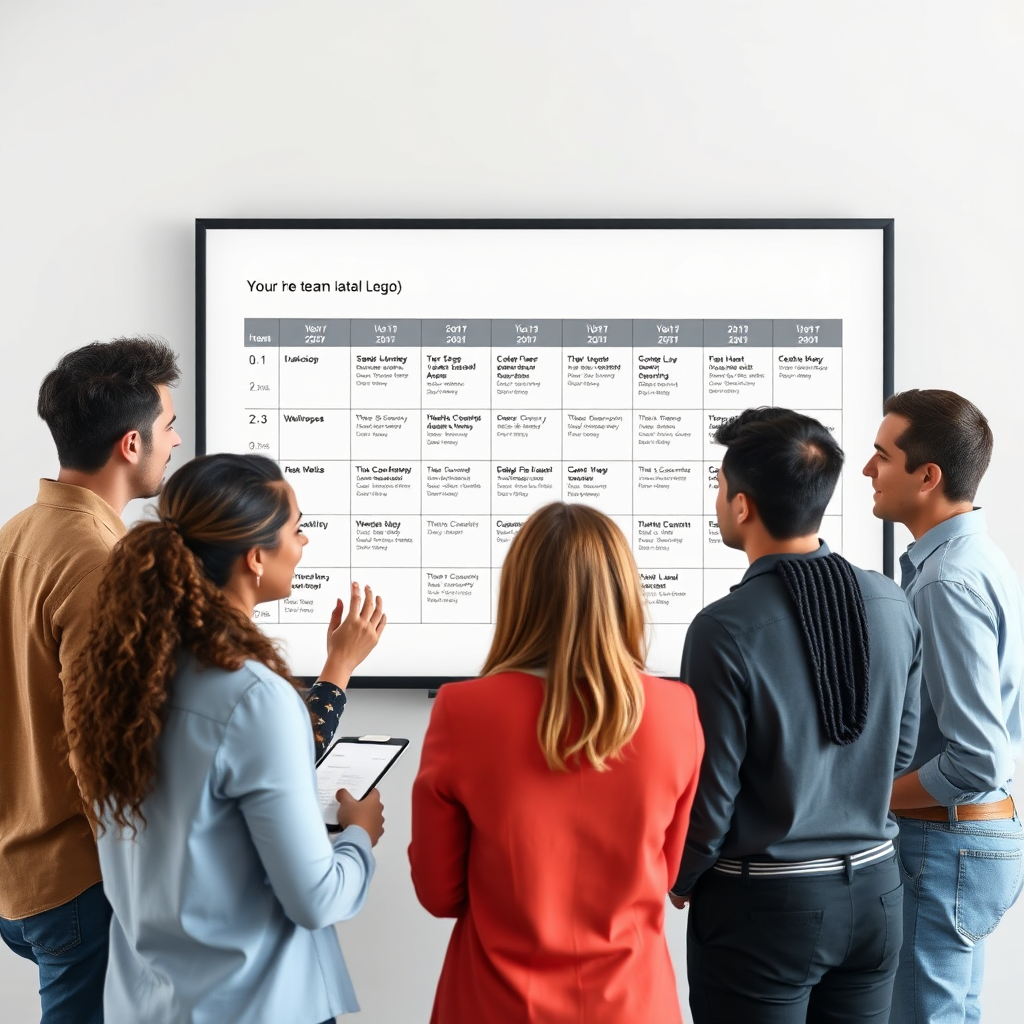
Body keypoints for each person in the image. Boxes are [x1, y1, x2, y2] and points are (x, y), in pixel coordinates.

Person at [63, 453, 388, 1024]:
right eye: (297, 528)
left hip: (146, 1004)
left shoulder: (121, 677)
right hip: (253, 1007)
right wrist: (357, 839)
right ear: (256, 557)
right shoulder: (255, 697)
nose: (305, 542)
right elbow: (314, 897)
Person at [672, 407, 922, 1024]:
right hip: (877, 892)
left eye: (720, 485)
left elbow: (713, 791)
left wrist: (681, 876)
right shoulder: (891, 601)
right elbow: (902, 750)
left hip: (765, 907)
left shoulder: (723, 629)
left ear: (742, 505)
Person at [409, 502, 703, 1024]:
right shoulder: (676, 710)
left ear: (519, 592)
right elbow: (667, 871)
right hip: (634, 1004)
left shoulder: (462, 710)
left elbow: (439, 894)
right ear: (623, 592)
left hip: (496, 1005)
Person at [0, 337, 181, 1024]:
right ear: (130, 444)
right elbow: (103, 749)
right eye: (168, 426)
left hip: (21, 875)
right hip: (83, 884)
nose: (177, 439)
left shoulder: (17, 533)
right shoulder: (100, 560)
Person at [864, 389, 1024, 1024]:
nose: (868, 470)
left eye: (882, 456)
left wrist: (868, 796)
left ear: (927, 477)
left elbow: (977, 758)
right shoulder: (975, 559)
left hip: (945, 842)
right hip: (968, 841)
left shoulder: (945, 582)